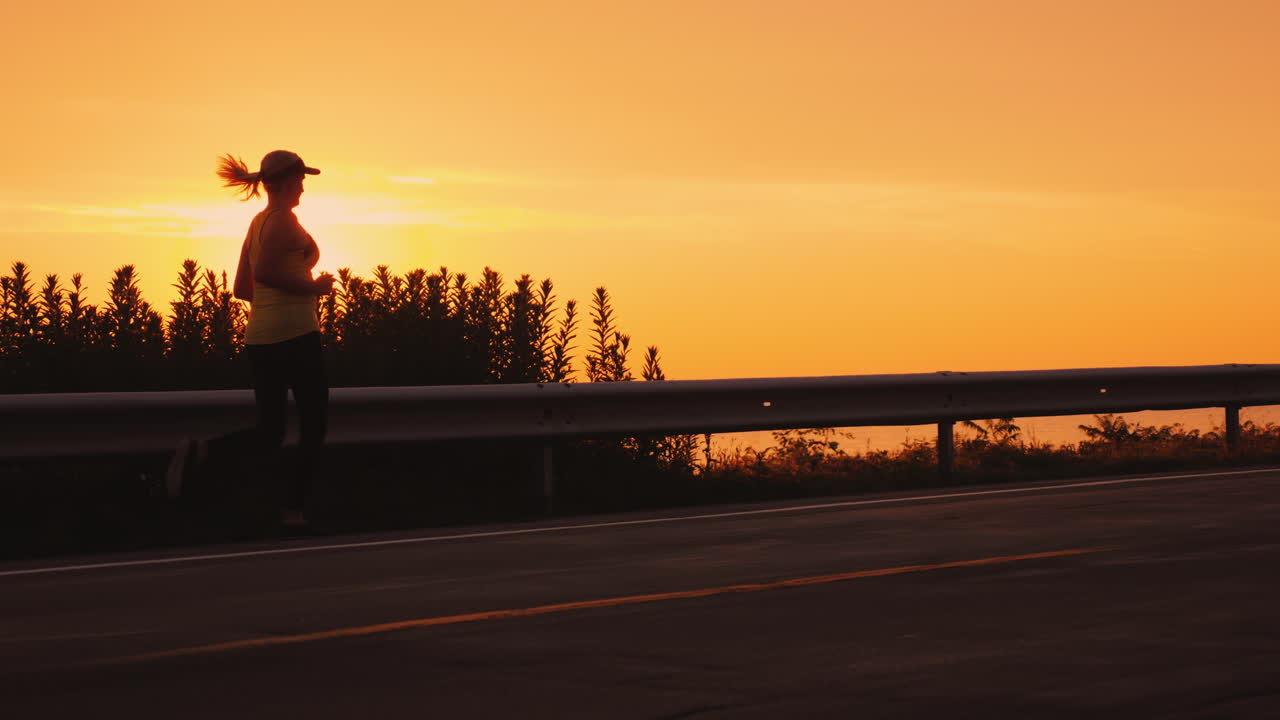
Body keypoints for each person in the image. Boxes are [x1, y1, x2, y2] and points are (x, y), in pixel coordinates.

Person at [165, 150, 336, 529]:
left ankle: (205, 452)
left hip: (260, 338)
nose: (304, 185)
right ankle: (293, 511)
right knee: (313, 426)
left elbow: (243, 287)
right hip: (296, 335)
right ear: (282, 183)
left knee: (271, 430)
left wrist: (279, 300)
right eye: (299, 178)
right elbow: (267, 275)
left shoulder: (257, 224)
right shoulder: (284, 222)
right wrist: (313, 288)